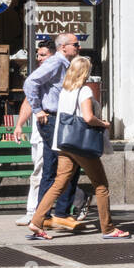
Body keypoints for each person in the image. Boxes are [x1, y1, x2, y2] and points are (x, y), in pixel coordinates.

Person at [27, 56, 129, 240]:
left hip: (65, 143)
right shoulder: (85, 91)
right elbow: (88, 118)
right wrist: (104, 124)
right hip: (81, 145)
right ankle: (108, 228)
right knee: (101, 186)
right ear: (85, 72)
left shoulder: (65, 91)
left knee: (58, 184)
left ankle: (36, 221)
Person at [22, 32, 82, 229]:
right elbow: (30, 82)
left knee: (51, 167)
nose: (78, 47)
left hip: (57, 119)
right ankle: (61, 213)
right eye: (75, 44)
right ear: (63, 47)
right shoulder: (55, 62)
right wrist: (38, 110)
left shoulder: (65, 64)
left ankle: (44, 215)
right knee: (69, 165)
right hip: (52, 119)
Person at [12, 40, 54, 225]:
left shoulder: (58, 74)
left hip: (52, 127)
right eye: (38, 54)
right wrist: (19, 124)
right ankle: (79, 198)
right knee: (46, 171)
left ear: (53, 55)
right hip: (39, 129)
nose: (39, 58)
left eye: (43, 54)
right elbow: (29, 100)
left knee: (41, 171)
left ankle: (33, 211)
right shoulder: (37, 75)